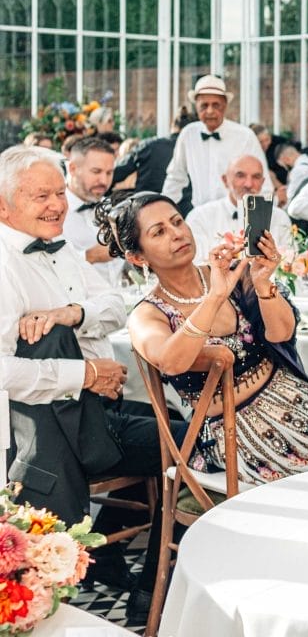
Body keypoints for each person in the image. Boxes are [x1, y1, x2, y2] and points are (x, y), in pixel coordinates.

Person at [0, 146, 168, 614]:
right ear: (3, 206)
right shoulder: (3, 267)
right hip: (41, 429)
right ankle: (139, 587)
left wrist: (73, 313)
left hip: (98, 414)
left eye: (59, 192)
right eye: (41, 196)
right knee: (183, 441)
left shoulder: (64, 249)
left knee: (183, 431)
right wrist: (86, 374)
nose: (57, 205)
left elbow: (119, 304)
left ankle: (122, 560)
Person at [104, 192, 308, 485]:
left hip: (298, 401)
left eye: (177, 222)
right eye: (159, 232)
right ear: (137, 257)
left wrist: (262, 283)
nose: (177, 233)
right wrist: (214, 298)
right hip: (237, 433)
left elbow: (281, 333)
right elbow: (171, 361)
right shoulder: (147, 315)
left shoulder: (233, 276)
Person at [162, 75, 273, 209]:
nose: (210, 111)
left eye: (216, 105)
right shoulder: (188, 134)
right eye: (204, 105)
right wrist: (163, 209)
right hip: (200, 215)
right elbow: (175, 177)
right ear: (196, 106)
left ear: (225, 105)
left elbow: (262, 182)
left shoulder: (245, 136)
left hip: (238, 214)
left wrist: (260, 219)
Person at [185, 155, 295, 259]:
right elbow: (196, 264)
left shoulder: (280, 217)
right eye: (240, 175)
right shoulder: (200, 217)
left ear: (262, 182)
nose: (248, 184)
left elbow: (289, 261)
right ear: (225, 180)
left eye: (256, 177)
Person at [63, 137, 124, 286]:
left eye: (109, 173)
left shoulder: (112, 207)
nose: (104, 180)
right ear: (72, 169)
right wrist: (90, 256)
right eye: (96, 171)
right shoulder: (53, 211)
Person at [112, 105, 197, 210]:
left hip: (146, 210)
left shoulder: (148, 145)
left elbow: (117, 172)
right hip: (184, 213)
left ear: (172, 125)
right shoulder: (196, 152)